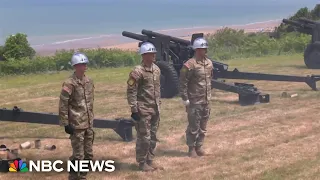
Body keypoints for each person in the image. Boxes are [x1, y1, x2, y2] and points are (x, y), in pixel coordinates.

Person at [126, 42, 162, 172]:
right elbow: (131, 91)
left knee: (153, 137)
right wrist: (134, 109)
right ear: (144, 55)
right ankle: (142, 162)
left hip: (155, 109)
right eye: (150, 54)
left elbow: (157, 89)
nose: (153, 56)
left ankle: (149, 160)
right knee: (144, 137)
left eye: (154, 53)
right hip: (143, 110)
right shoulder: (137, 72)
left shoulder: (157, 69)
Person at [59, 52, 95, 180]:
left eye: (85, 64)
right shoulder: (69, 83)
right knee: (78, 155)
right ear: (75, 66)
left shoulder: (89, 81)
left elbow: (90, 102)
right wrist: (66, 123)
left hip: (88, 124)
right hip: (76, 125)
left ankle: (82, 176)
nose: (83, 67)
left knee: (88, 155)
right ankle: (74, 176)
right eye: (80, 65)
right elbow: (63, 104)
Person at [179, 37, 213, 157]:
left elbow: (210, 80)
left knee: (203, 126)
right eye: (203, 49)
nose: (205, 51)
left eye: (205, 48)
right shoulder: (189, 65)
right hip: (194, 100)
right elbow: (183, 82)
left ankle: (199, 146)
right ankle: (191, 148)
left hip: (206, 100)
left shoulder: (209, 63)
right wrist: (185, 99)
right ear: (197, 50)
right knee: (194, 126)